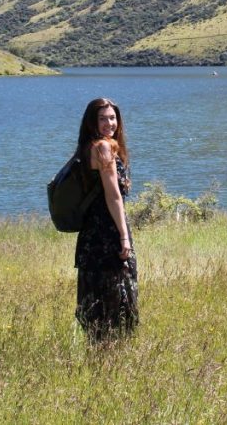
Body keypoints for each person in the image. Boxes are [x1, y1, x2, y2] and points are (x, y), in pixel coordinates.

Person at [73, 97, 139, 341]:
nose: (109, 123)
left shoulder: (90, 145)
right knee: (116, 297)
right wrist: (123, 236)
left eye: (113, 118)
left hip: (93, 233)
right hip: (106, 233)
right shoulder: (103, 148)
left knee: (99, 300)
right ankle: (110, 355)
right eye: (103, 118)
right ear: (92, 122)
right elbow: (113, 197)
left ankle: (102, 354)